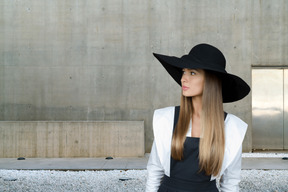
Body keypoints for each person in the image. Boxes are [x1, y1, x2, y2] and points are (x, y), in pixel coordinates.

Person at [146, 43, 250, 192]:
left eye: (192, 73)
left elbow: (230, 183)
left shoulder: (231, 127)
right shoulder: (166, 119)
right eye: (183, 72)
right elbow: (154, 171)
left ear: (210, 81)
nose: (183, 79)